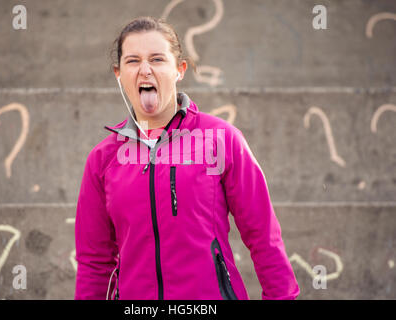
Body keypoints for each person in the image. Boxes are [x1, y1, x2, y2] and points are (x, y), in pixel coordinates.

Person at [74, 16, 299, 300]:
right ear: (118, 73)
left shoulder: (221, 139)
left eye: (157, 59)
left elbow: (263, 236)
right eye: (133, 61)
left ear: (179, 70)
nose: (144, 70)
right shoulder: (102, 159)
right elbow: (94, 263)